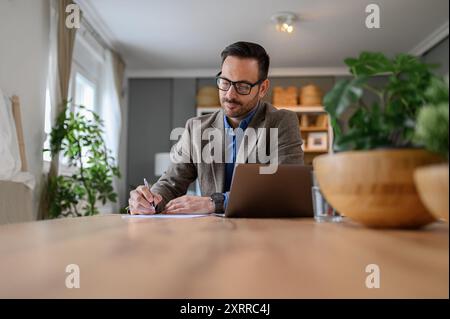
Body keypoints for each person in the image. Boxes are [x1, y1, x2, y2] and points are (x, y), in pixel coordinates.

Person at [128, 41, 304, 215]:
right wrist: (150, 201)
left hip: (262, 233)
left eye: (242, 86)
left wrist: (215, 202)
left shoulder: (282, 122)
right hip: (211, 235)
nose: (229, 94)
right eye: (225, 82)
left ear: (263, 88)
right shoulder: (196, 129)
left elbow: (286, 190)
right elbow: (171, 183)